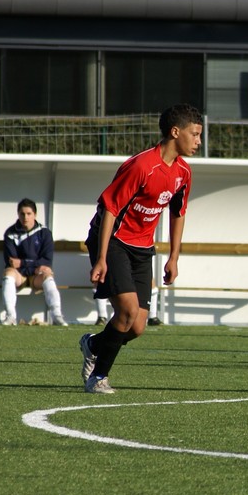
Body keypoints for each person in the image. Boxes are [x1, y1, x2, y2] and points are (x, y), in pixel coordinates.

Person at [78, 103, 200, 394]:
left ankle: (94, 344)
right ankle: (98, 378)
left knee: (138, 326)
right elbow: (109, 208)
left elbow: (178, 212)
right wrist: (102, 258)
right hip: (114, 241)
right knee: (127, 312)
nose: (198, 141)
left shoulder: (183, 171)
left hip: (143, 248)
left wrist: (173, 256)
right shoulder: (142, 166)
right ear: (175, 132)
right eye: (194, 134)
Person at [0, 198, 68, 326]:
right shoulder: (10, 233)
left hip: (37, 275)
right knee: (8, 273)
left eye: (29, 214)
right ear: (18, 214)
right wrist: (33, 264)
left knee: (48, 274)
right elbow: (12, 262)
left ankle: (57, 316)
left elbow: (47, 260)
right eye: (22, 214)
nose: (25, 217)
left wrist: (24, 263)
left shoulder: (44, 233)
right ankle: (10, 316)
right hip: (19, 275)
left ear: (35, 215)